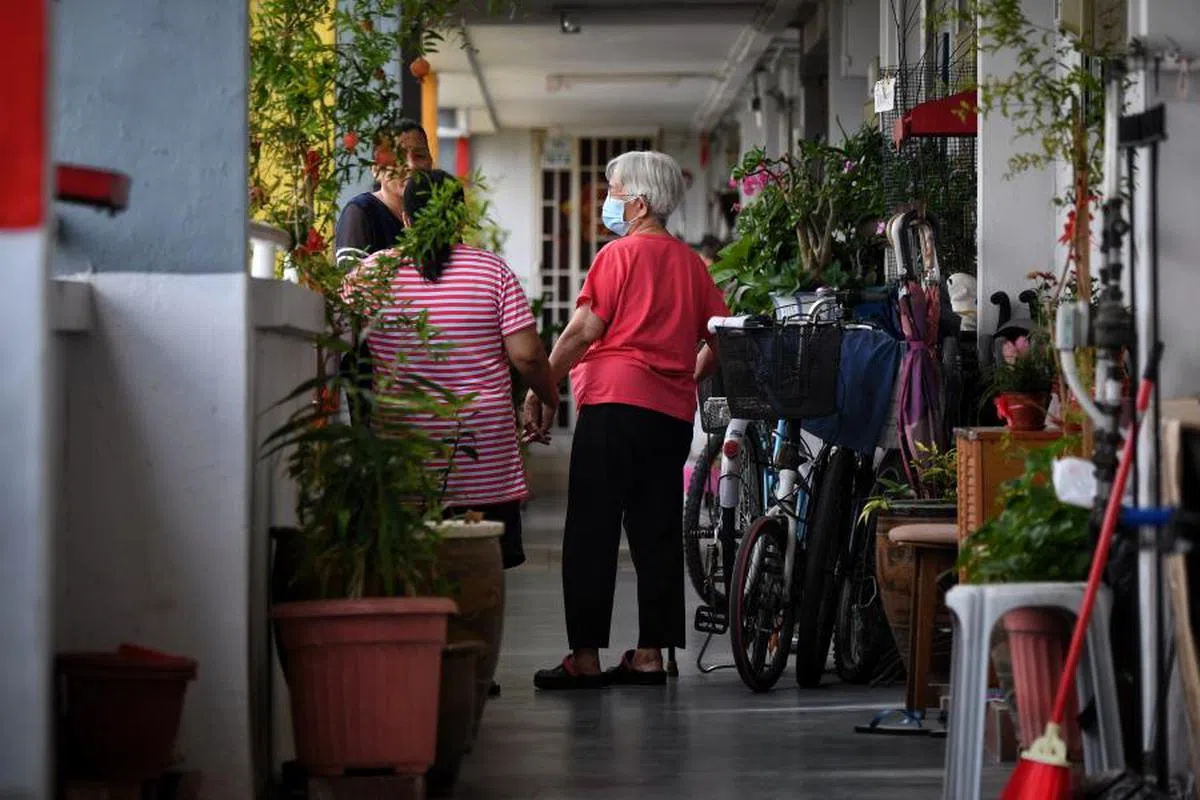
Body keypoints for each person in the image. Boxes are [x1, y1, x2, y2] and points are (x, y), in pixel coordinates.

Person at [523, 151, 729, 690]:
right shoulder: (691, 265)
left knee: (593, 526)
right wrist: (686, 375)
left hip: (614, 404)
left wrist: (542, 385)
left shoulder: (618, 255)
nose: (609, 200)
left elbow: (583, 330)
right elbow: (720, 340)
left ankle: (586, 658)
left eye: (614, 190)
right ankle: (649, 655)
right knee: (656, 531)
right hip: (668, 415)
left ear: (638, 202)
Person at [347, 169, 558, 571]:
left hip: (404, 454)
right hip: (484, 460)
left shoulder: (372, 275)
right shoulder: (492, 271)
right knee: (478, 580)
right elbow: (528, 357)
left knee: (412, 575)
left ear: (405, 220)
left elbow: (337, 342)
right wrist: (548, 397)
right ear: (460, 218)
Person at [334, 118, 434, 256]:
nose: (412, 165)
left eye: (419, 155)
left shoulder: (437, 213)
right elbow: (353, 276)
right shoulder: (361, 212)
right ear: (376, 169)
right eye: (398, 157)